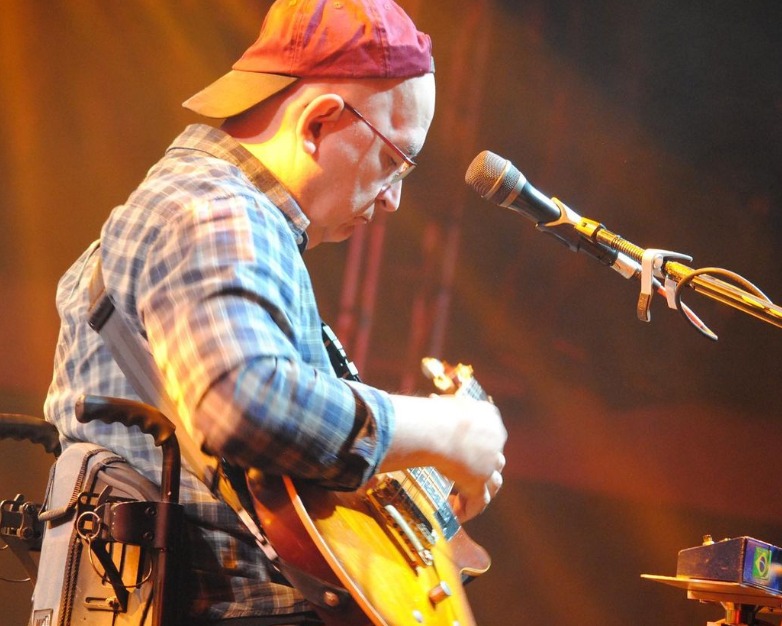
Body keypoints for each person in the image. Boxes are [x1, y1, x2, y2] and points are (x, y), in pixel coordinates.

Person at [43, 0, 507, 623]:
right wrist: (444, 430)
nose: (395, 198)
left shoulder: (209, 212)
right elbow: (245, 400)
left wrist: (418, 463)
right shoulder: (213, 212)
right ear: (318, 122)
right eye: (396, 160)